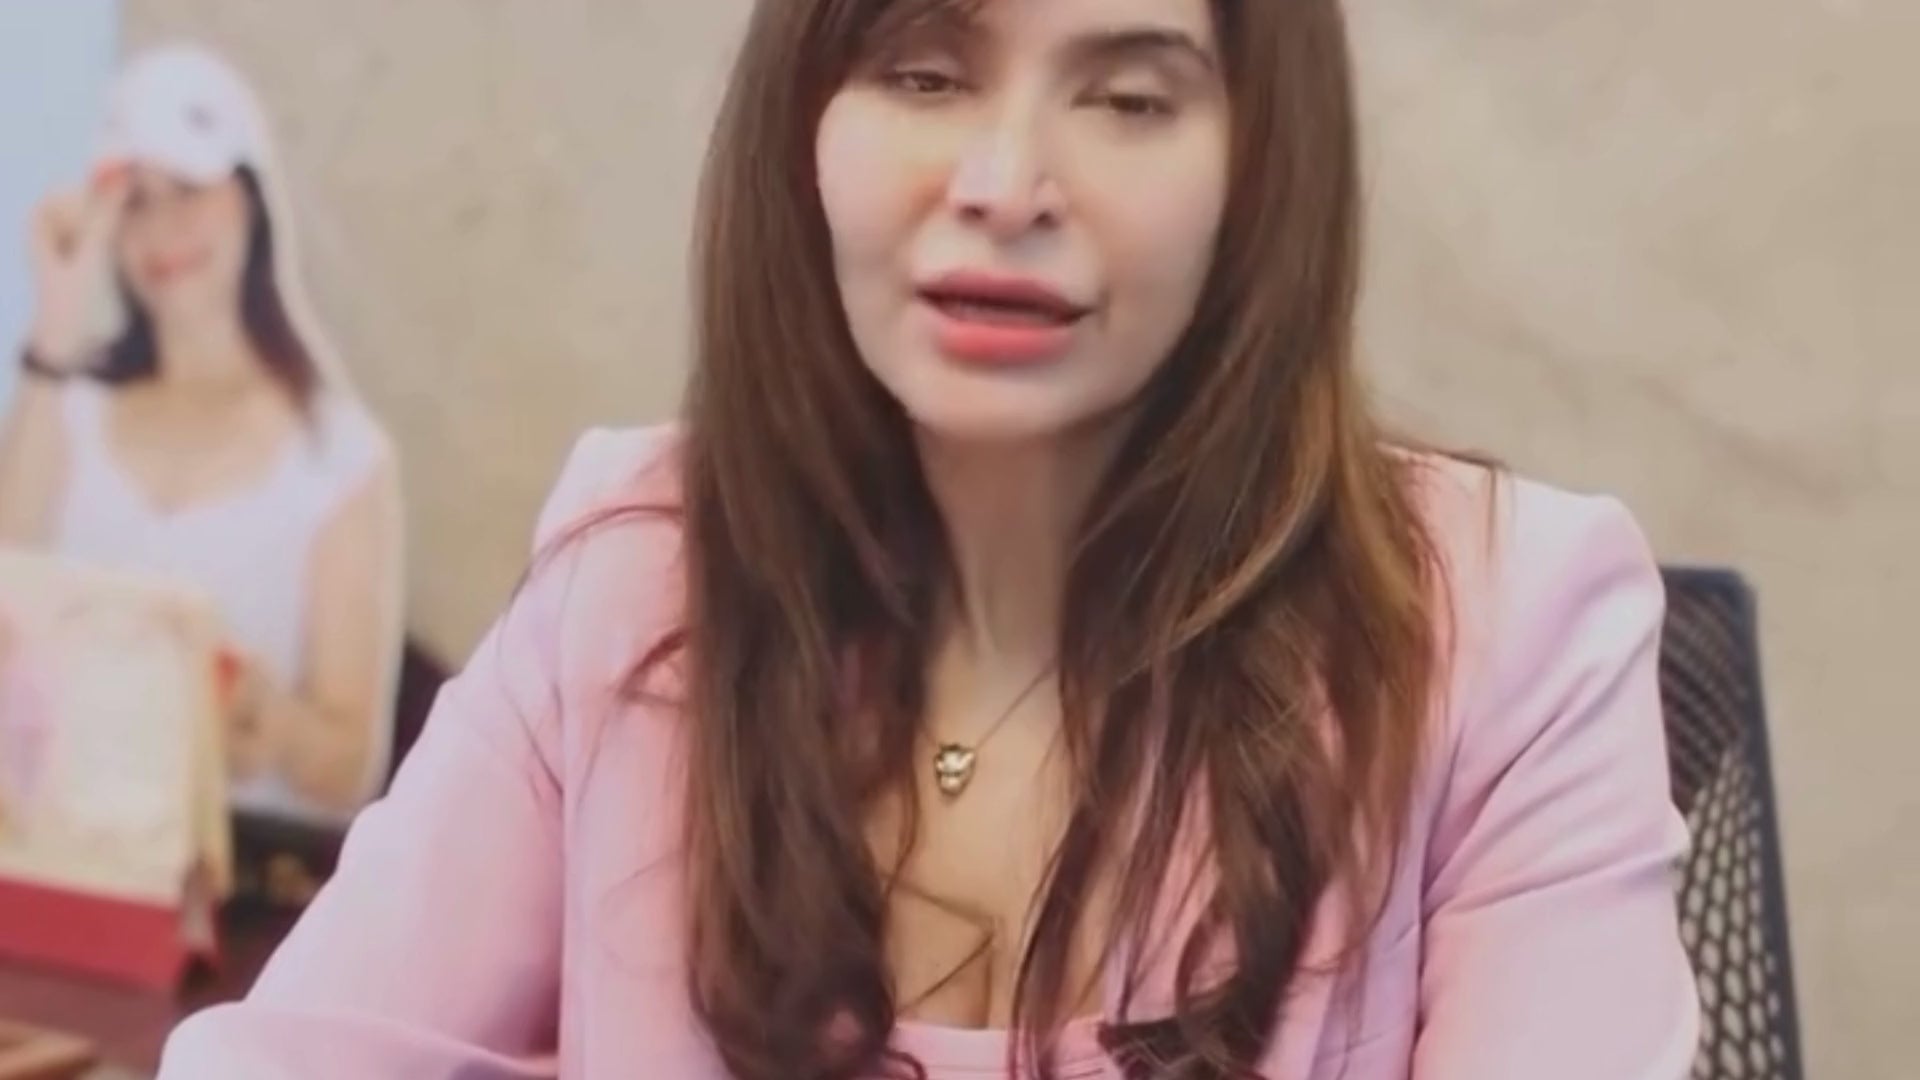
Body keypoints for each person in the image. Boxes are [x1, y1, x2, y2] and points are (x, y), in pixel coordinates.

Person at [158, 1, 1699, 1077]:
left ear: (1261, 171)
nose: (1004, 186)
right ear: (806, 125)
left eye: (1130, 98)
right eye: (923, 72)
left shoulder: (1509, 626)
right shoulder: (636, 571)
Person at [0, 43, 403, 827]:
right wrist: (56, 318)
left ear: (249, 197)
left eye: (188, 190)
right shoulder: (67, 405)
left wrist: (274, 726)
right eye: (136, 202)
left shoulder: (342, 459)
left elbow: (351, 766)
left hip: (234, 871)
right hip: (54, 848)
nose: (163, 230)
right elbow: (8, 592)